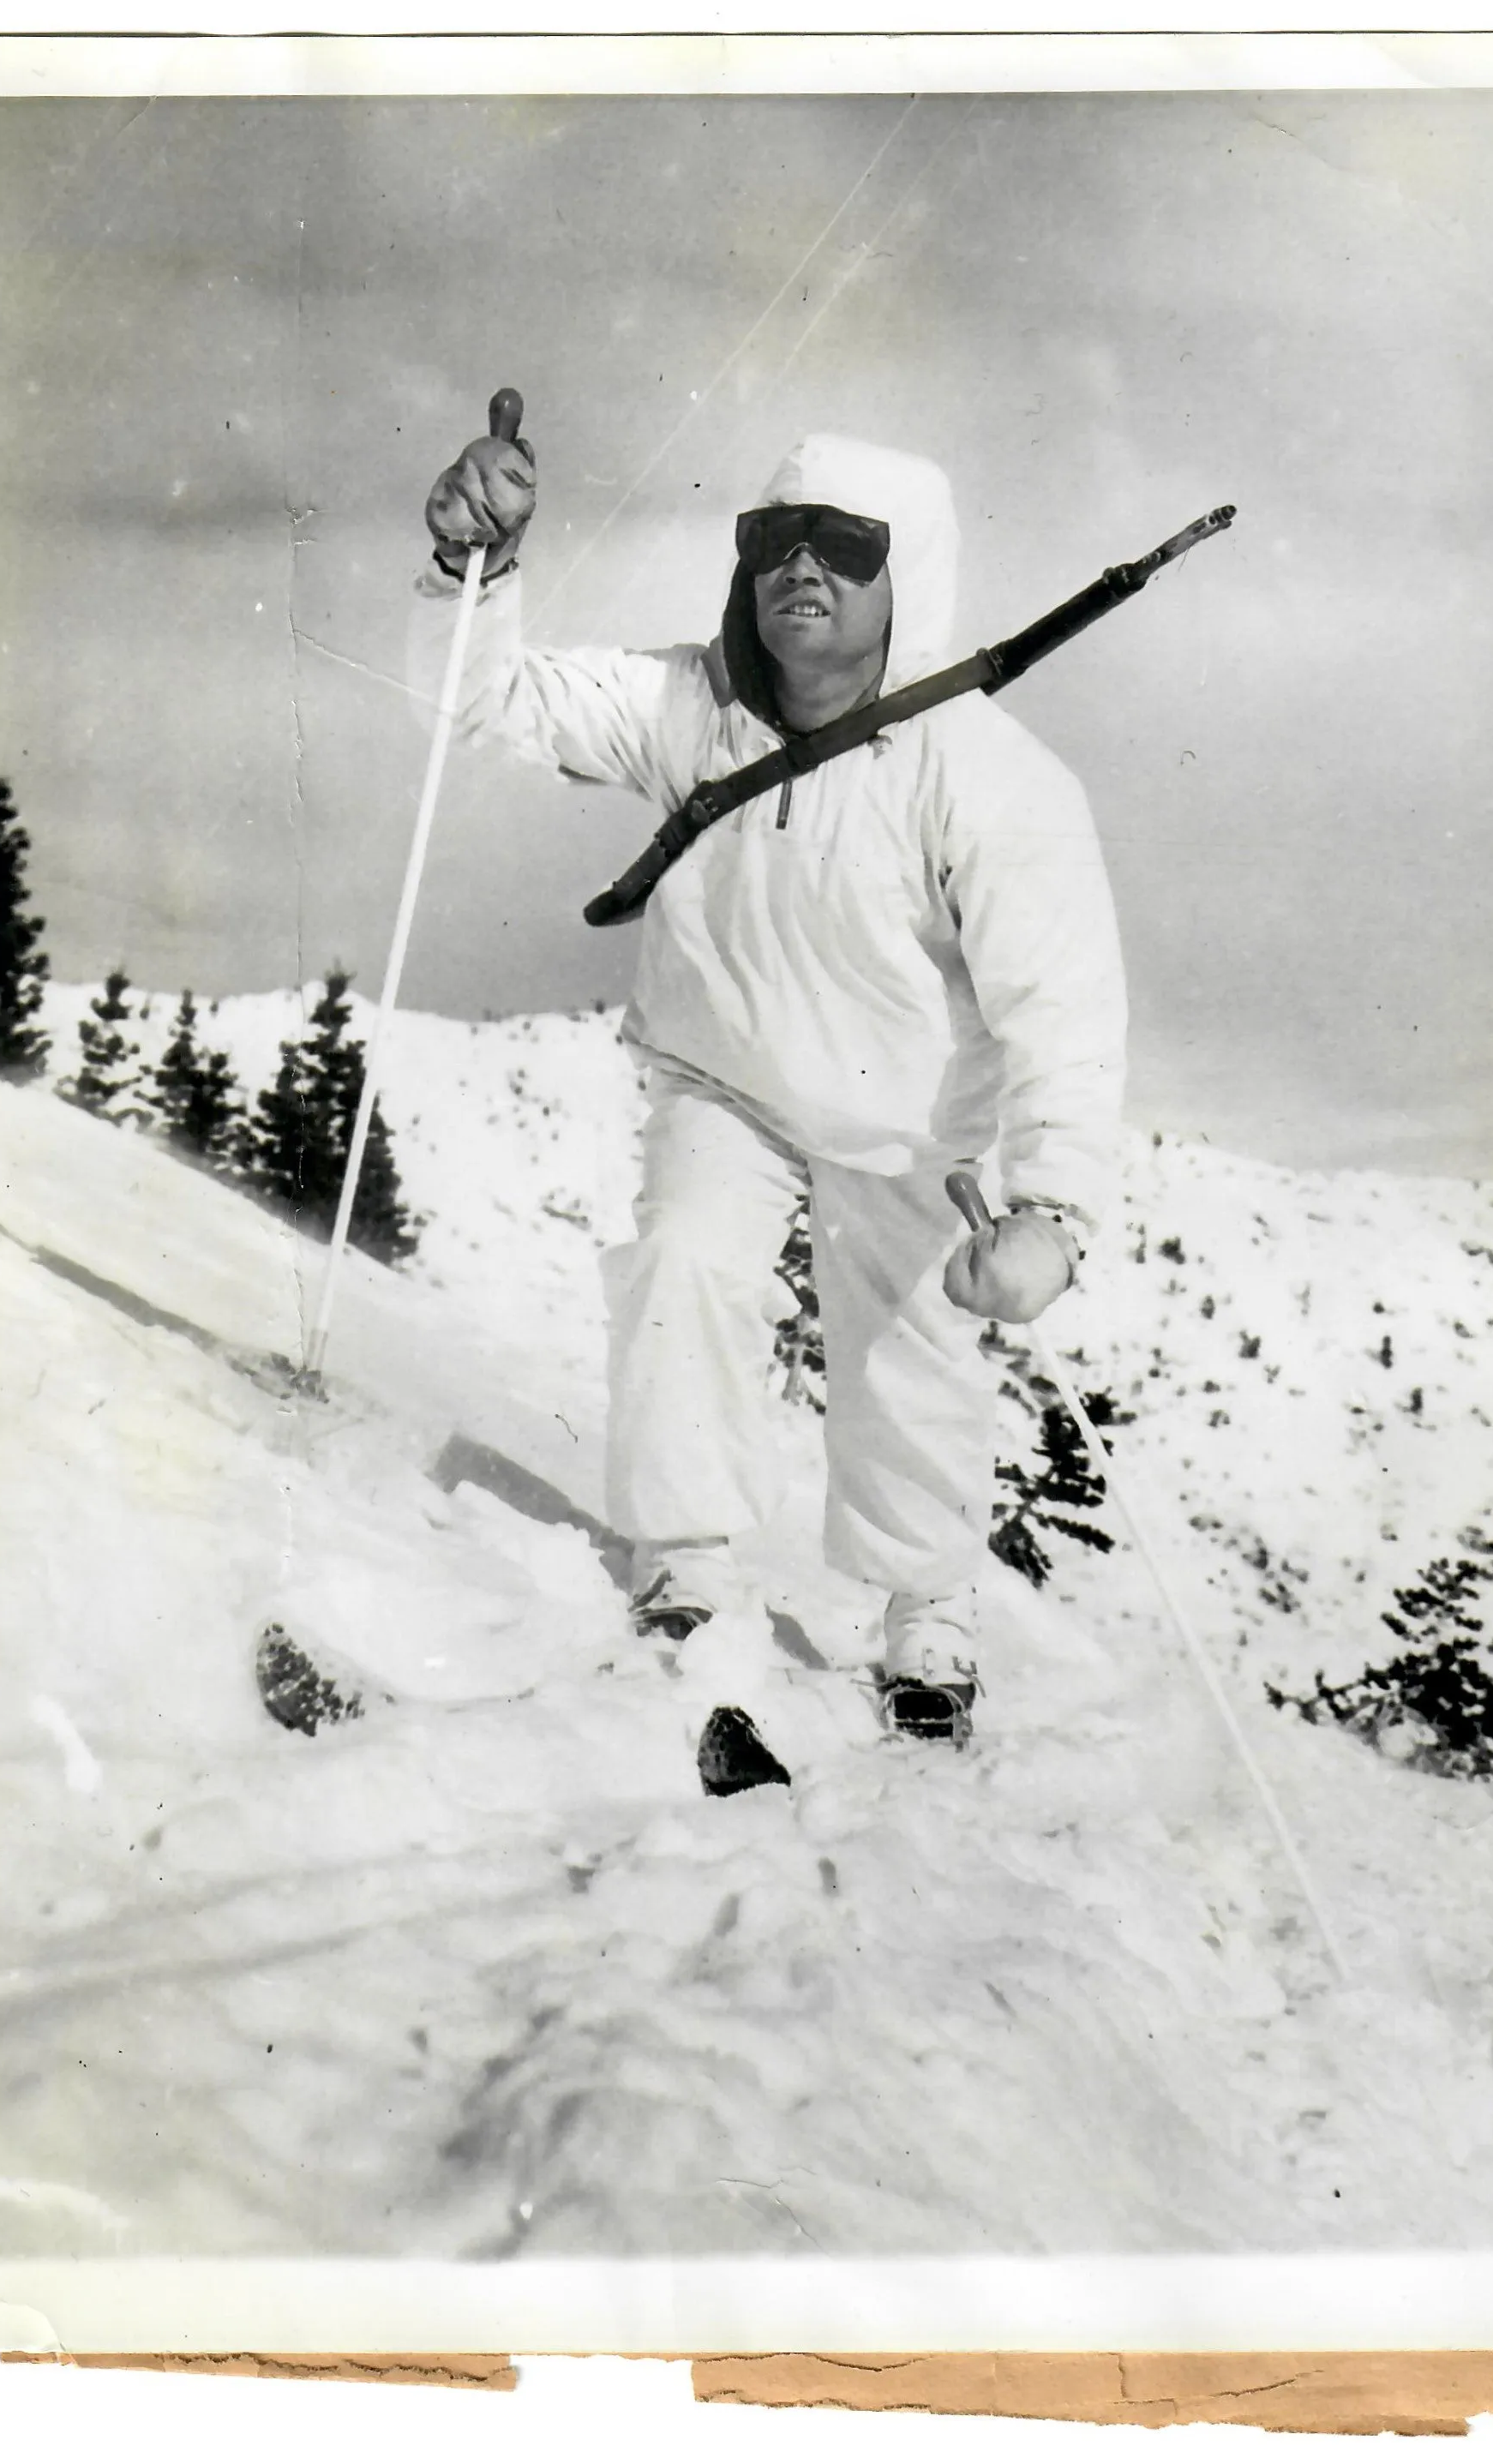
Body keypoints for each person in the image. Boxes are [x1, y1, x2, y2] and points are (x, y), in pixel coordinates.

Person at [411, 415, 1127, 1766]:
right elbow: (485, 704)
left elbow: (1064, 1016)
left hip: (908, 1117)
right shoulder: (693, 708)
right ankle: (681, 1571)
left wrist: (1053, 1212)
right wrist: (472, 572)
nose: (804, 567)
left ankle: (927, 1610)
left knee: (911, 1355)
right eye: (774, 540)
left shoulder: (990, 779)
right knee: (683, 1262)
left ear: (911, 575)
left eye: (846, 546)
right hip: (720, 1076)